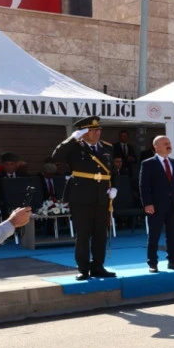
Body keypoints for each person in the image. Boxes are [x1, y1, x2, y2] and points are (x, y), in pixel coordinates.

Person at [52, 116, 117, 281]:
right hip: (80, 196)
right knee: (83, 234)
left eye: (99, 130)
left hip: (102, 196)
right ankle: (83, 268)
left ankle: (98, 267)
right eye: (93, 130)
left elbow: (111, 171)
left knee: (100, 233)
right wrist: (73, 138)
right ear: (84, 132)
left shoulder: (107, 148)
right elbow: (56, 156)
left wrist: (114, 187)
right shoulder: (74, 147)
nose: (97, 133)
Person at [138, 135, 174, 273]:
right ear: (156, 146)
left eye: (169, 143)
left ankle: (173, 261)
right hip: (156, 205)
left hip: (173, 204)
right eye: (165, 143)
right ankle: (152, 263)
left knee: (172, 234)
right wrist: (147, 204)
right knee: (154, 235)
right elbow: (144, 186)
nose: (168, 145)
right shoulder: (147, 163)